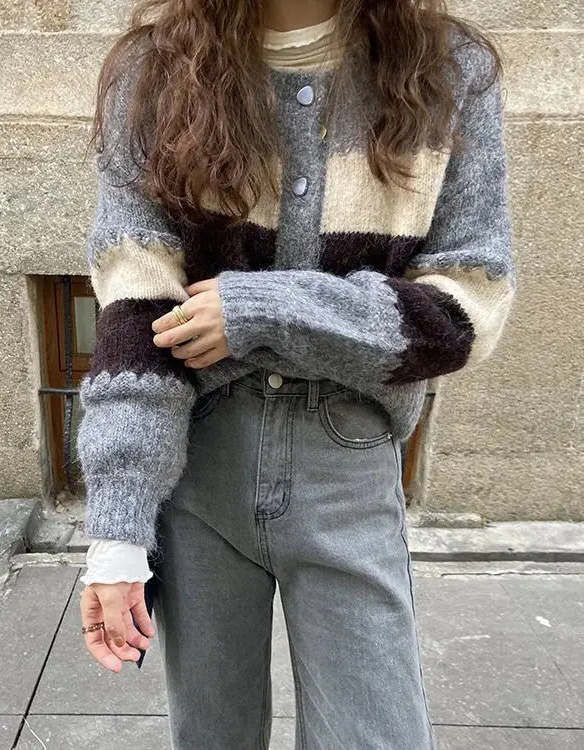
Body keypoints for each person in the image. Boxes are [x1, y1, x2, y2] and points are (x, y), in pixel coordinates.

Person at [76, 0, 515, 747]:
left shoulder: (448, 70)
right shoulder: (156, 71)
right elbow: (135, 305)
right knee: (211, 735)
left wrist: (270, 309)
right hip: (200, 466)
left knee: (376, 733)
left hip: (345, 466)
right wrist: (117, 537)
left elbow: (466, 309)